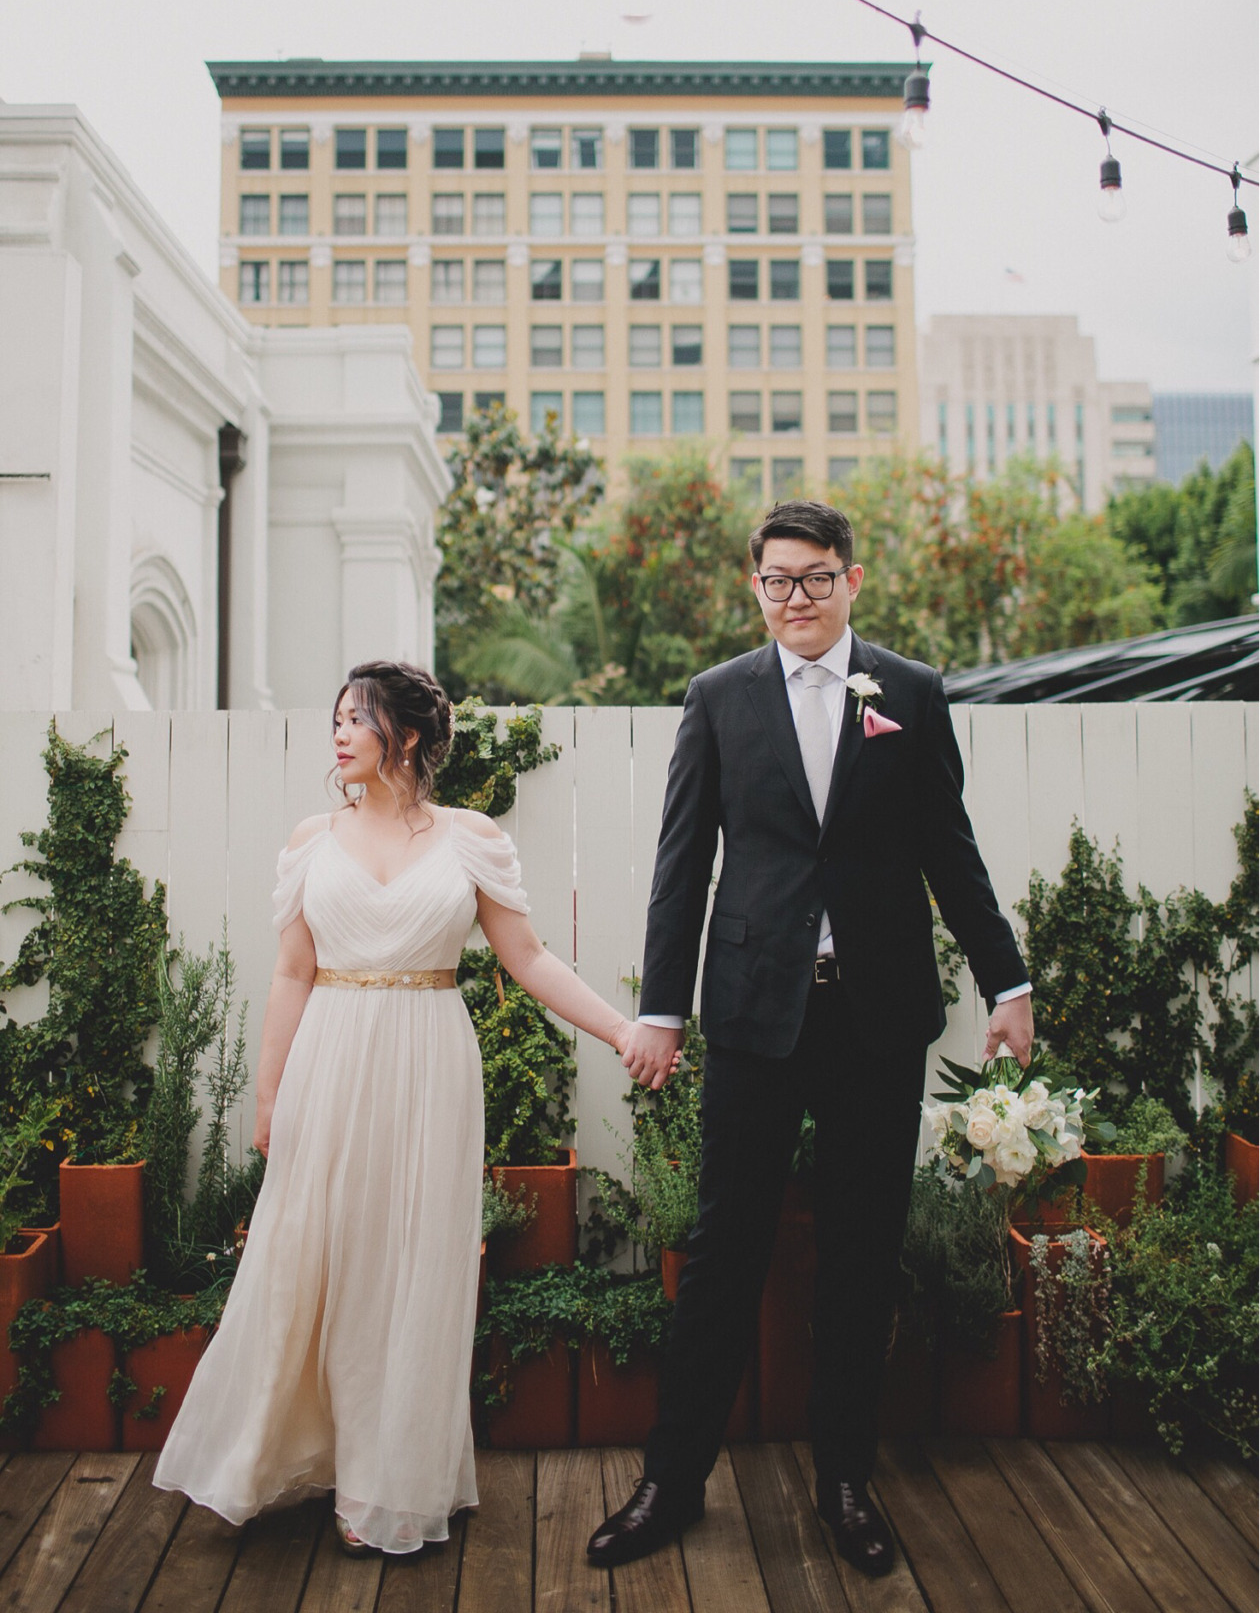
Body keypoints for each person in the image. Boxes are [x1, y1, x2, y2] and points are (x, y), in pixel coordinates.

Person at [589, 500, 1034, 1578]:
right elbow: (681, 865)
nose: (796, 597)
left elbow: (950, 849)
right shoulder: (718, 699)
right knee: (723, 1250)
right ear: (756, 589)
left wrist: (1007, 978)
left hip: (877, 1019)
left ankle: (845, 1481)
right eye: (777, 581)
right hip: (753, 1012)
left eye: (815, 577)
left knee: (861, 1253)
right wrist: (661, 1008)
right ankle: (672, 1480)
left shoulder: (912, 694)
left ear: (853, 579)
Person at [154, 660, 675, 1555]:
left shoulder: (471, 838)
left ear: (407, 736)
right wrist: (268, 1094)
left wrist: (622, 1029)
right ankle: (280, 1454)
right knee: (313, 1258)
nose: (340, 733)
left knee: (413, 1266)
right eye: (337, 718)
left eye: (358, 718)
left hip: (430, 1060)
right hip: (330, 1057)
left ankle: (387, 1484)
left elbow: (530, 958)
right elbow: (289, 973)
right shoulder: (310, 840)